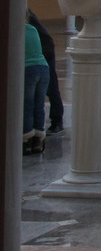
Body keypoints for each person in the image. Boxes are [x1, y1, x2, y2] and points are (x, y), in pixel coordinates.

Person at [27, 9, 63, 133]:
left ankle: (57, 121)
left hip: (44, 52)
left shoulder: (23, 15)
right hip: (41, 51)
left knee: (51, 89)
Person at [23, 13, 51, 155]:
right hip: (44, 68)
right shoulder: (33, 29)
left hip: (28, 69)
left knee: (27, 105)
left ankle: (26, 140)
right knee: (39, 104)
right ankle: (38, 140)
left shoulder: (16, 30)